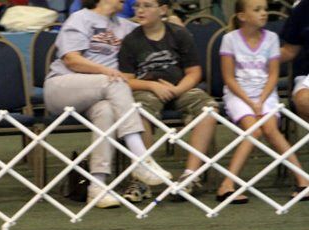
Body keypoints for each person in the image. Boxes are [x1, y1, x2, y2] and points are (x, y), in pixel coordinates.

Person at [44, 0, 172, 209]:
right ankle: (141, 159)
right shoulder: (80, 18)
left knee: (106, 112)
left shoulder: (125, 26)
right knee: (117, 82)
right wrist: (107, 72)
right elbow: (72, 60)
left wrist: (170, 19)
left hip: (100, 92)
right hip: (63, 85)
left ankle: (97, 187)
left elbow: (155, 27)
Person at [118, 0, 218, 201]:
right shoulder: (130, 40)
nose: (140, 10)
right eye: (137, 6)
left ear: (162, 10)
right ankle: (142, 179)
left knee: (209, 109)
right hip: (148, 89)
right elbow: (127, 80)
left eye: (147, 6)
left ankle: (191, 176)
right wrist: (152, 86)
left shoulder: (179, 34)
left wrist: (178, 89)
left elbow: (194, 71)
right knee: (138, 113)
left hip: (180, 87)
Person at [215, 0, 309, 203]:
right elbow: (229, 78)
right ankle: (227, 184)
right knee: (254, 130)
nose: (264, 14)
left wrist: (262, 100)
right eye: (257, 10)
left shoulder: (272, 39)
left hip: (265, 94)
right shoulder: (229, 39)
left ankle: (303, 181)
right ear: (242, 16)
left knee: (271, 128)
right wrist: (250, 102)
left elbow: (273, 75)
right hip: (238, 95)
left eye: (265, 9)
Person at [280, 0, 309, 122]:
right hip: (307, 73)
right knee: (303, 100)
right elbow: (289, 50)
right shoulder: (303, 8)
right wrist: (257, 54)